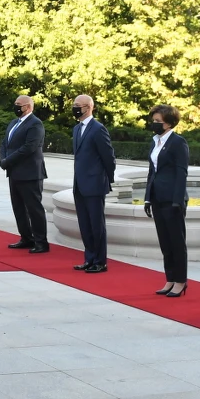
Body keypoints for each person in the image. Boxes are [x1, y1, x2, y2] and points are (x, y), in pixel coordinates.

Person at [145, 105, 190, 296]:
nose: (154, 125)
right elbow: (151, 172)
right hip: (157, 197)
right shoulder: (155, 141)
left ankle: (180, 281)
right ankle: (169, 279)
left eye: (158, 122)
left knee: (176, 242)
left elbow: (182, 173)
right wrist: (147, 198)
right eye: (153, 121)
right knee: (165, 242)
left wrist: (177, 201)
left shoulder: (178, 142)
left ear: (169, 123)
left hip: (172, 199)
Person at [71, 94, 116, 273]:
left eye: (78, 105)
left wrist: (106, 180)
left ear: (88, 107)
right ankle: (89, 258)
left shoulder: (98, 129)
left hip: (95, 184)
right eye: (74, 104)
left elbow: (108, 157)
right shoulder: (76, 129)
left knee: (97, 225)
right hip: (80, 184)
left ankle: (100, 261)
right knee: (85, 224)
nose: (75, 108)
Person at [0, 95, 47, 252]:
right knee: (18, 207)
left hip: (30, 172)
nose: (16, 107)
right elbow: (5, 143)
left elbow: (29, 147)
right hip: (14, 172)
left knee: (34, 209)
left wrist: (8, 161)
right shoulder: (14, 123)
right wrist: (3, 158)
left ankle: (41, 242)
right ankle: (26, 237)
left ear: (28, 107)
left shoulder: (35, 124)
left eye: (19, 104)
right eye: (15, 103)